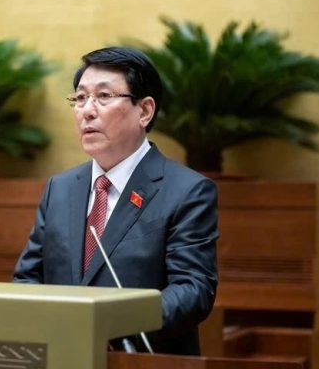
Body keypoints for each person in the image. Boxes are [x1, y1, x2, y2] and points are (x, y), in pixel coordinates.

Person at [13, 47, 219, 355]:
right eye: (80, 98)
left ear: (144, 111)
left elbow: (193, 291)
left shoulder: (187, 191)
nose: (87, 110)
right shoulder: (60, 188)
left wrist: (113, 325)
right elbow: (28, 278)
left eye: (104, 96)